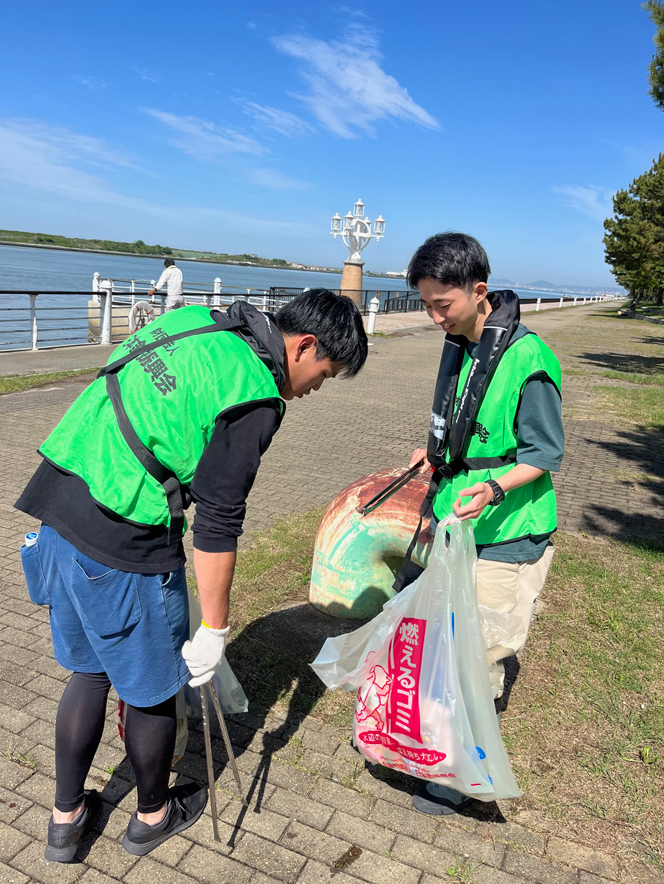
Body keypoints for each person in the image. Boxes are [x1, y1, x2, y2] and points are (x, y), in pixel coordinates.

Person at [15, 289, 368, 861]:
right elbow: (218, 521)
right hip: (123, 536)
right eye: (324, 374)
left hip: (59, 502)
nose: (314, 389)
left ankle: (65, 820)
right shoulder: (255, 394)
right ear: (305, 346)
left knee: (88, 672)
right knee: (152, 692)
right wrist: (215, 628)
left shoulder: (196, 320)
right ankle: (152, 815)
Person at [405, 233, 564, 816]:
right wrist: (432, 456)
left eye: (441, 305)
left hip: (509, 529)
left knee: (480, 652)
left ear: (479, 291)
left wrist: (494, 486)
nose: (432, 316)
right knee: (448, 640)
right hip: (459, 518)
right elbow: (460, 423)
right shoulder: (461, 342)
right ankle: (444, 744)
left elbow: (544, 453)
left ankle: (463, 772)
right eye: (425, 304)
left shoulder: (528, 358)